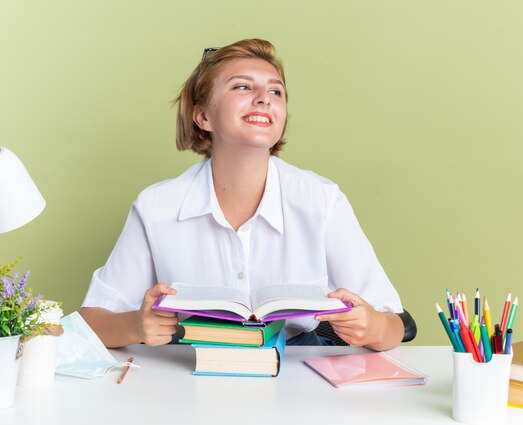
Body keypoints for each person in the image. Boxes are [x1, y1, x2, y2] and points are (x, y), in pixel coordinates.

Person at [80, 39, 405, 351]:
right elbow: (90, 322)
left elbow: (394, 324)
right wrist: (137, 326)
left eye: (276, 91)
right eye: (243, 86)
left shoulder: (322, 200)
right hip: (188, 367)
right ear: (203, 116)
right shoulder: (156, 207)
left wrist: (373, 326)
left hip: (296, 371)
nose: (265, 97)